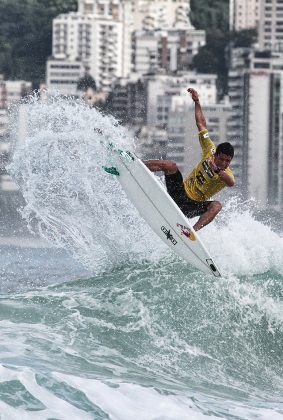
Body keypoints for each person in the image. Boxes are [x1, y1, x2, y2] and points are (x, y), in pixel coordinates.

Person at [144, 88, 235, 232]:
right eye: (222, 159)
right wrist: (197, 101)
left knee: (217, 205)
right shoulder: (209, 150)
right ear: (216, 154)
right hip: (179, 192)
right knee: (170, 165)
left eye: (227, 161)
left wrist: (217, 169)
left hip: (192, 206)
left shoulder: (226, 174)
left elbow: (231, 183)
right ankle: (134, 164)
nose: (224, 163)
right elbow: (201, 123)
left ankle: (190, 232)